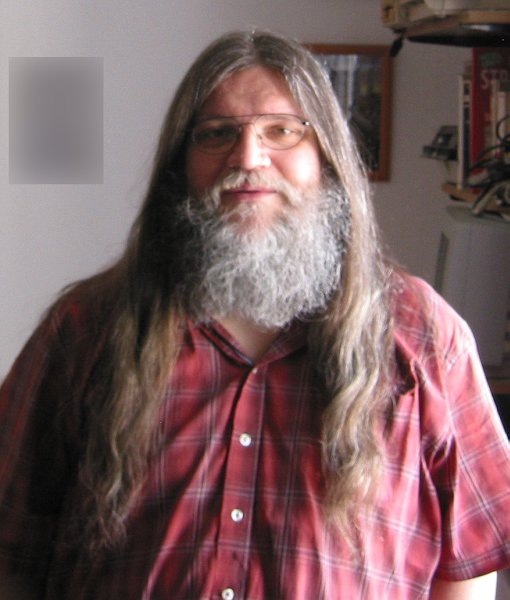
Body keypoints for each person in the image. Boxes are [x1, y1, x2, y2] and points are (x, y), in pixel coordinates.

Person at [0, 30, 508, 600]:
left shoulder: (424, 334)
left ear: (327, 159)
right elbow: (11, 555)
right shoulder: (83, 328)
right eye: (217, 133)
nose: (247, 157)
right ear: (179, 166)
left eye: (282, 130)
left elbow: (469, 560)